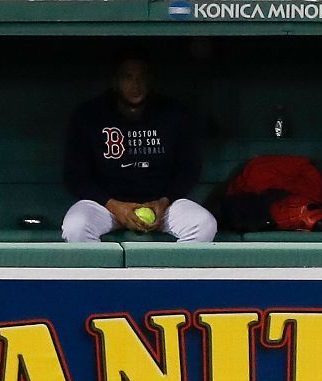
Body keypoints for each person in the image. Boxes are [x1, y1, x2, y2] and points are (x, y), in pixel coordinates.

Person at [61, 52, 216, 243]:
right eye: (128, 77)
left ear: (151, 81)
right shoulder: (90, 115)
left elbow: (189, 168)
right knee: (76, 227)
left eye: (142, 77)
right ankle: (105, 274)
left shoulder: (174, 114)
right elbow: (75, 174)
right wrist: (114, 206)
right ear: (115, 81)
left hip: (161, 207)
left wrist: (165, 201)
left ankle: (171, 273)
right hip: (106, 206)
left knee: (203, 224)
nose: (136, 85)